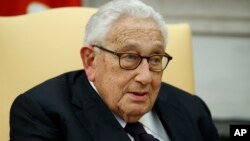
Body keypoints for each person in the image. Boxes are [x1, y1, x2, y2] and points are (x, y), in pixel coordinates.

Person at [10, 0, 219, 140]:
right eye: (129, 57)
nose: (146, 77)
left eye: (155, 59)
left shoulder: (193, 110)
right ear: (91, 61)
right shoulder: (40, 113)